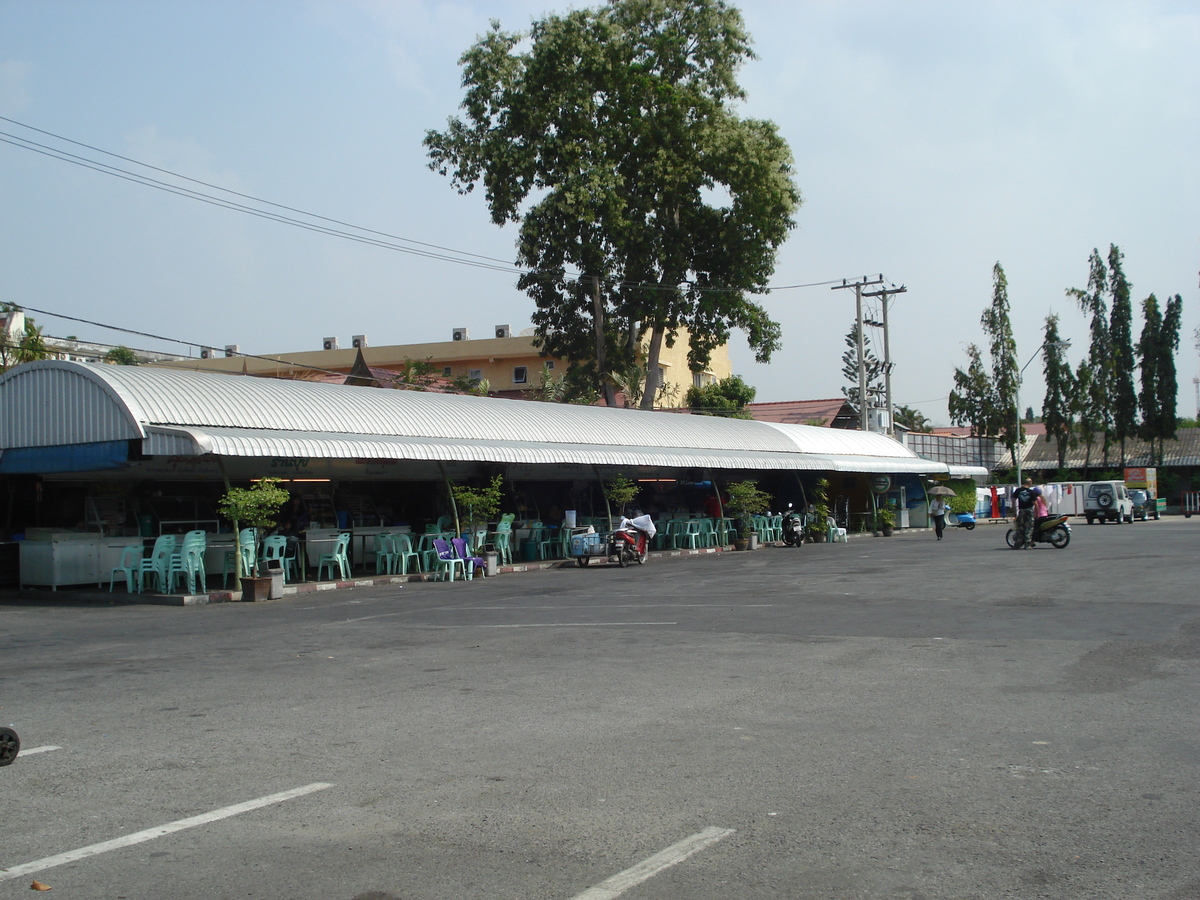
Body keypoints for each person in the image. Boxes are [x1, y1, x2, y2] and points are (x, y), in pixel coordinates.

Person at [1012, 478, 1042, 549]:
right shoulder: (1031, 492)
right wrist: (1037, 513)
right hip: (1029, 510)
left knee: (1020, 527)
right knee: (1029, 527)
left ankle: (1018, 544)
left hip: (1021, 510)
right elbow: (1036, 504)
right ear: (1030, 483)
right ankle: (1027, 544)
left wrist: (1014, 512)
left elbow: (1013, 501)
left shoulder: (1018, 491)